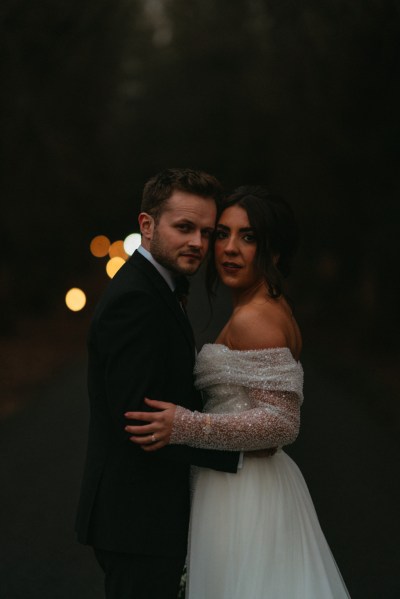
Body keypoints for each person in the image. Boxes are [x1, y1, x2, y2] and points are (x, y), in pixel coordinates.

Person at [125, 186, 351, 598]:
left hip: (247, 495)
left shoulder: (256, 318)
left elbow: (282, 423)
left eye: (247, 238)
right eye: (222, 234)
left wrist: (184, 426)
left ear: (274, 252)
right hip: (240, 484)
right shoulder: (264, 306)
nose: (229, 248)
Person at [75, 168, 245, 599]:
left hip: (146, 518)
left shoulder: (159, 287)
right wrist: (239, 446)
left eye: (207, 233)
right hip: (137, 521)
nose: (199, 244)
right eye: (185, 227)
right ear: (147, 225)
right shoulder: (136, 298)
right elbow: (139, 421)